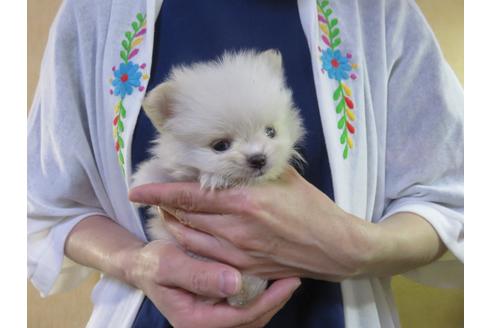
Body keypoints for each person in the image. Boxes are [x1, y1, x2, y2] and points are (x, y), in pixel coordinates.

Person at [27, 0, 463, 327]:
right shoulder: (97, 10)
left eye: (269, 135)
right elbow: (42, 204)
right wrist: (139, 264)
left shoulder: (378, 9)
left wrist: (358, 249)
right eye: (220, 144)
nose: (256, 155)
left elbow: (456, 196)